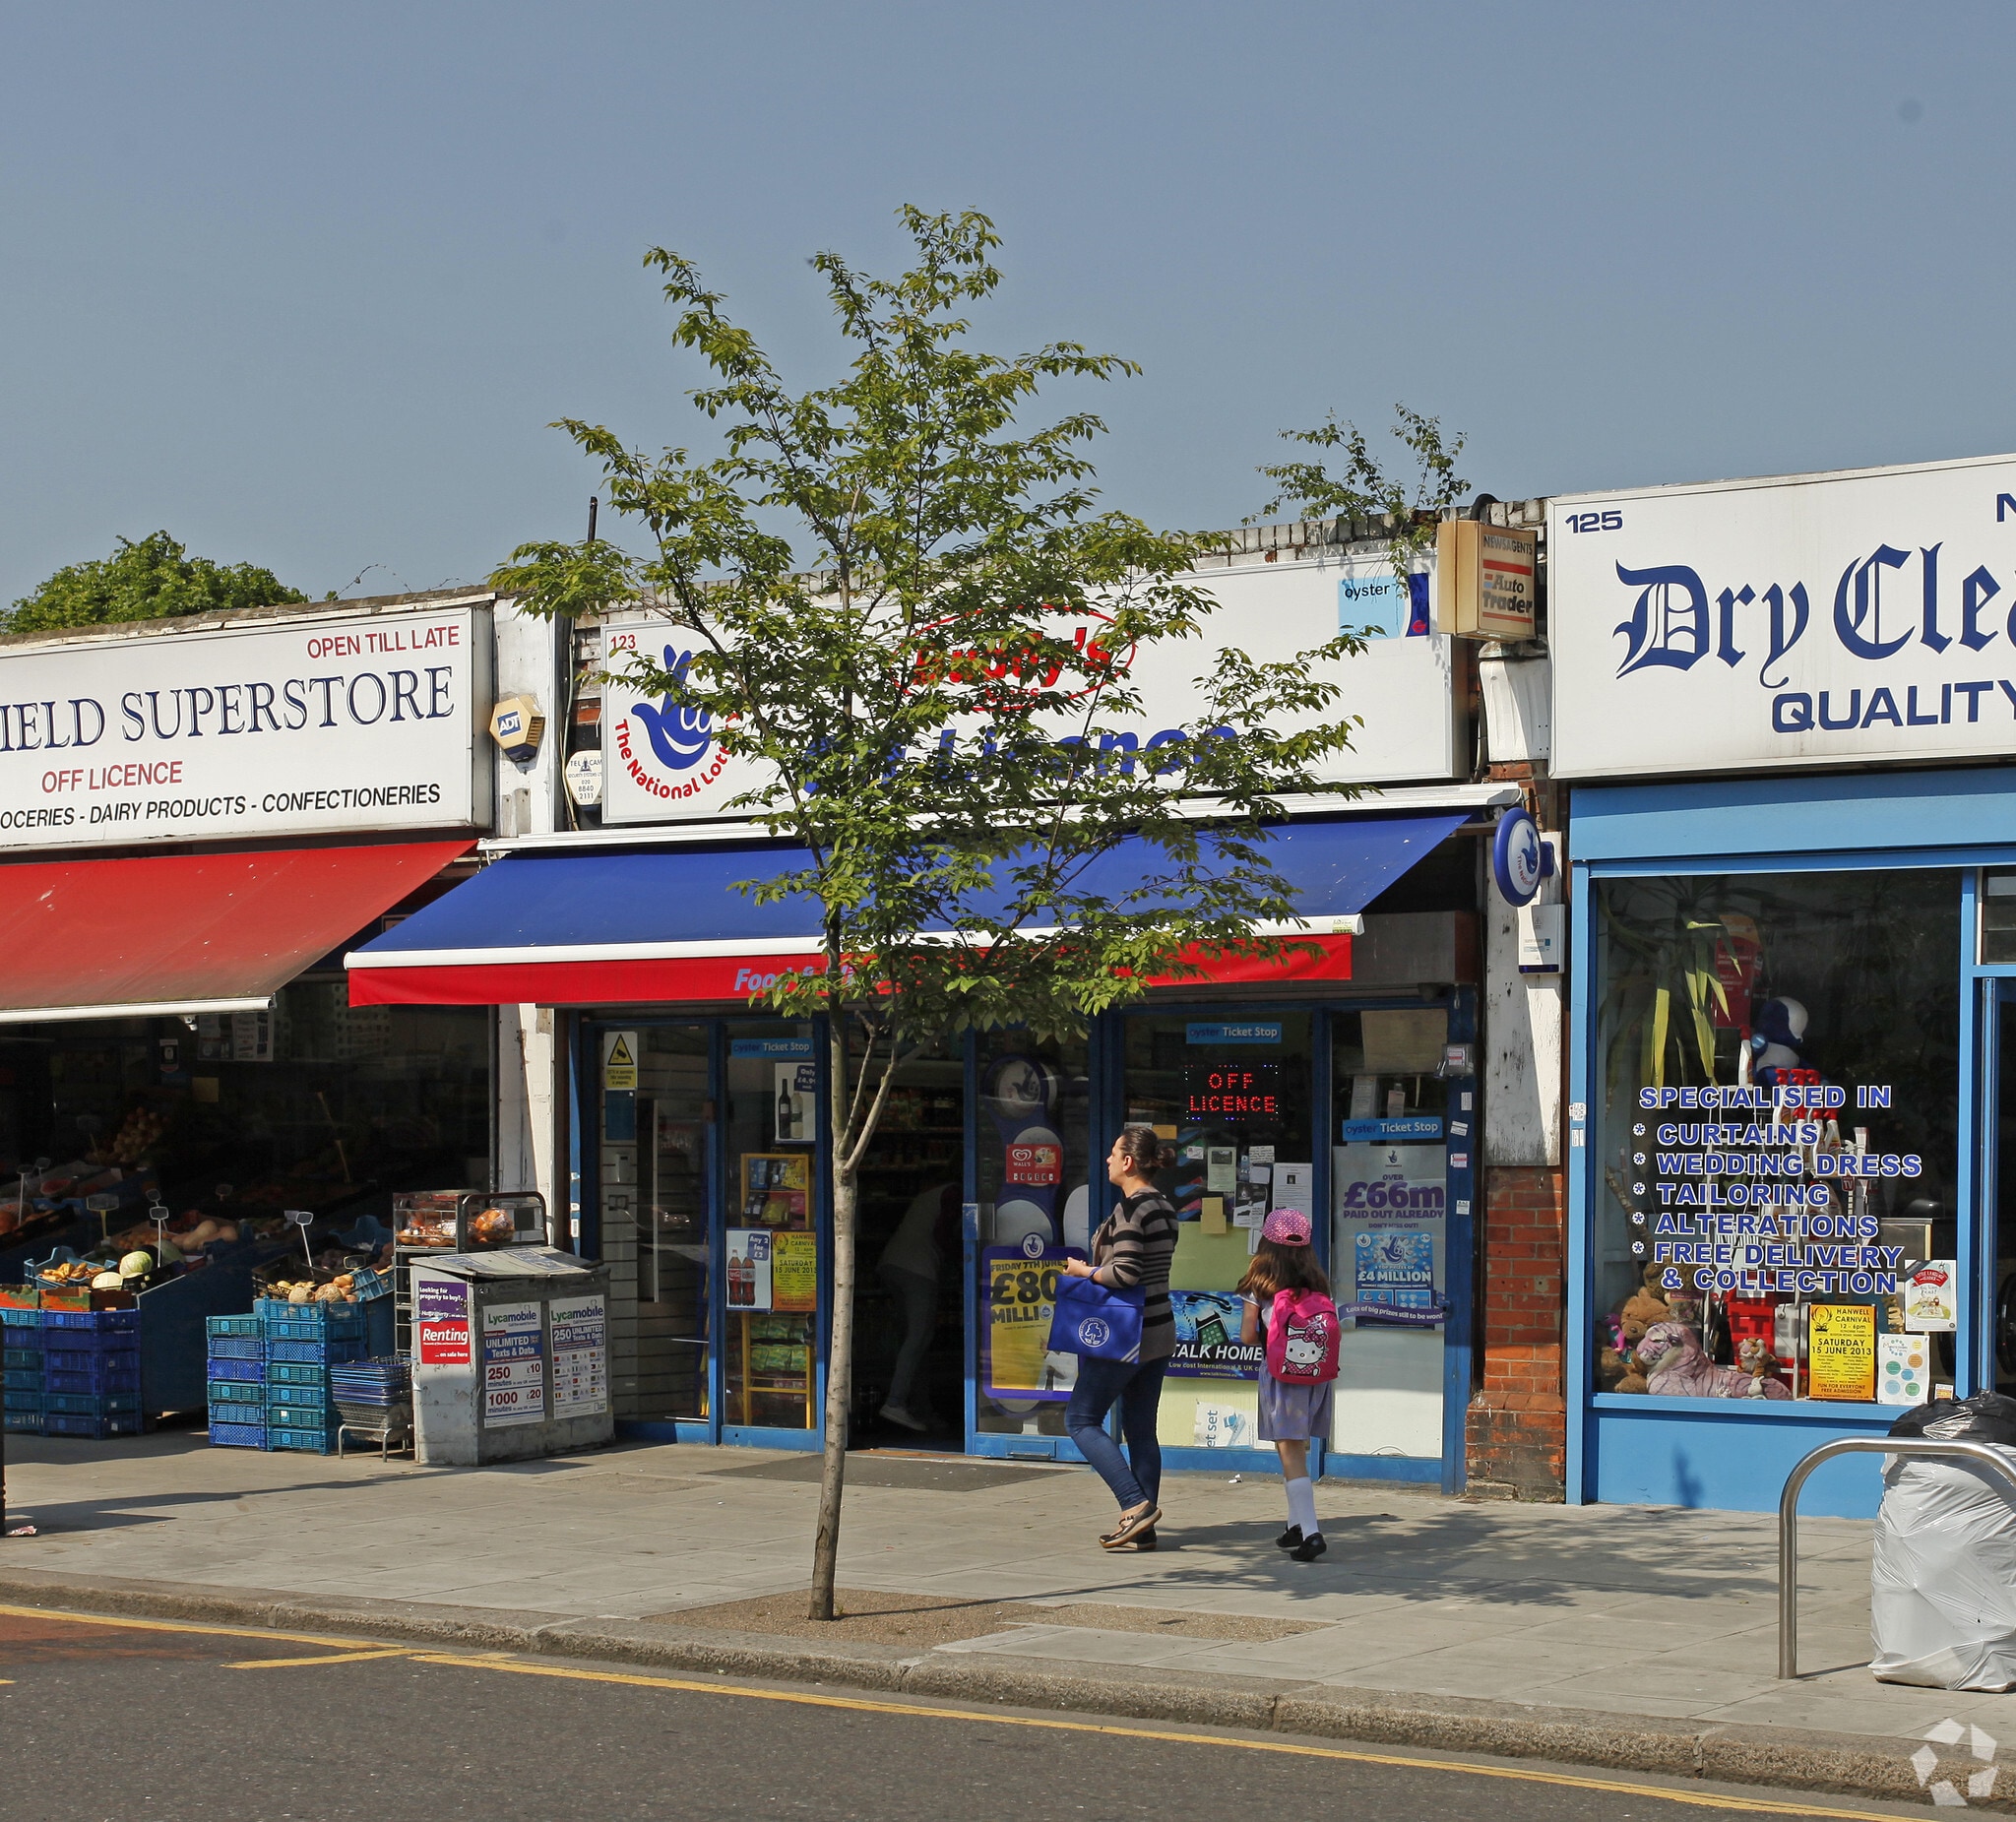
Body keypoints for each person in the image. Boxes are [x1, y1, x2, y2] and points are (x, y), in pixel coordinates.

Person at [1062, 1124, 1178, 1550]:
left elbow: (1125, 1272)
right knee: (1141, 1430)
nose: (1108, 1160)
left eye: (1113, 1154)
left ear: (1129, 1162)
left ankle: (1134, 1505)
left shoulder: (1133, 1209)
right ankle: (1142, 1531)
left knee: (1080, 1419)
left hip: (1124, 1335)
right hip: (1158, 1330)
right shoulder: (1164, 1207)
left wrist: (1084, 1271)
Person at [1238, 1208, 1335, 1563]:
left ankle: (1311, 1533)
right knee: (1297, 1449)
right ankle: (1296, 1525)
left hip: (1282, 1378)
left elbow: (1248, 1335)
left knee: (1289, 1452)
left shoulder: (1259, 1285)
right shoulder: (1318, 1284)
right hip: (1314, 1377)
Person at [876, 1181, 959, 1432]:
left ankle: (921, 1408)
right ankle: (896, 1402)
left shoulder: (928, 1191)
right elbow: (943, 1233)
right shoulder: (953, 1191)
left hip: (892, 1263)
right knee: (920, 1337)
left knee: (914, 1343)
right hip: (918, 1269)